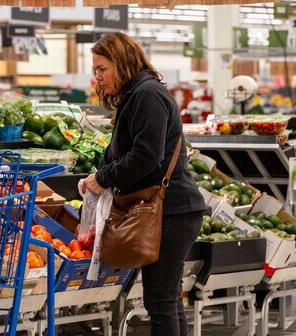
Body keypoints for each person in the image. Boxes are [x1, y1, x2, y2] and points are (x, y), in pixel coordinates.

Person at [81, 32, 207, 336]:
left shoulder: (147, 95)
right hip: (170, 210)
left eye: (102, 69)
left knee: (160, 299)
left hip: (171, 211)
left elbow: (145, 156)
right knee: (167, 298)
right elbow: (123, 151)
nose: (97, 78)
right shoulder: (137, 94)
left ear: (122, 63)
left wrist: (104, 179)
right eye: (95, 70)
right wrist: (99, 174)